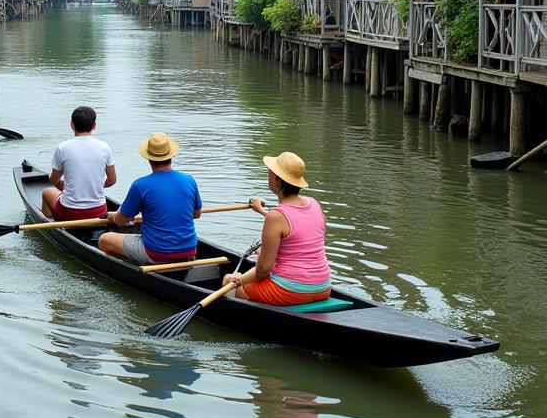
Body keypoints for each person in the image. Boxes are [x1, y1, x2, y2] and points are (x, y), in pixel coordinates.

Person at [223, 151, 331, 306]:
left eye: (271, 173)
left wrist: (238, 280)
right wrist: (262, 211)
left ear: (279, 181)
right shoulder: (314, 204)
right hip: (323, 287)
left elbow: (263, 270)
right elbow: (300, 235)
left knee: (228, 281)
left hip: (290, 292)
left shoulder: (276, 216)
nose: (268, 175)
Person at [99, 132, 201, 265]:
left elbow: (120, 220)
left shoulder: (140, 185)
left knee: (104, 239)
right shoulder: (189, 180)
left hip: (156, 252)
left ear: (148, 158)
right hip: (189, 250)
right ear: (171, 155)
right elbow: (196, 214)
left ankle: (137, 265)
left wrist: (111, 217)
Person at [41, 106, 117, 220]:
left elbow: (53, 180)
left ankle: (51, 224)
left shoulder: (62, 148)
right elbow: (112, 180)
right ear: (94, 126)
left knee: (47, 192)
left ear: (72, 125)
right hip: (99, 211)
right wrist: (96, 185)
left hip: (69, 212)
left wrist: (62, 184)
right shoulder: (105, 147)